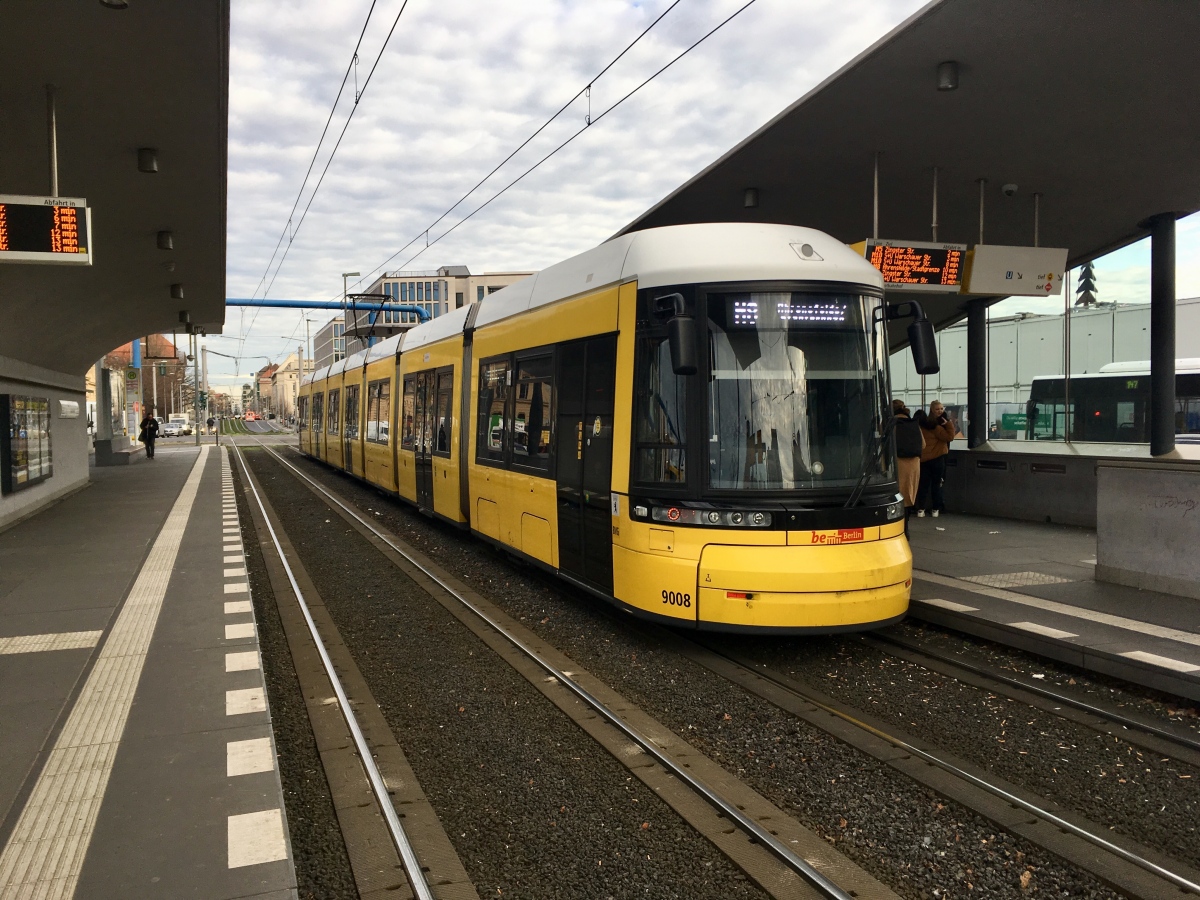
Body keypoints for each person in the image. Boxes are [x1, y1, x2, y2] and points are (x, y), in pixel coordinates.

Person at [914, 400, 956, 517]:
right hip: (937, 459)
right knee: (936, 485)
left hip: (923, 460)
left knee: (923, 485)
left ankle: (921, 509)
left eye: (942, 408)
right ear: (932, 410)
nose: (940, 411)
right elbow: (950, 437)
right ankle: (935, 510)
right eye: (938, 409)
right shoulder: (936, 426)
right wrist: (948, 424)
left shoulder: (922, 425)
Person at [891, 399, 924, 530]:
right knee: (909, 495)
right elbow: (923, 444)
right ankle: (906, 526)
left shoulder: (891, 423)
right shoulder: (913, 423)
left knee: (897, 494)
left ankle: (900, 527)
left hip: (898, 463)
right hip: (914, 465)